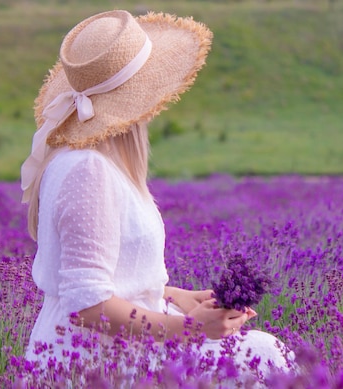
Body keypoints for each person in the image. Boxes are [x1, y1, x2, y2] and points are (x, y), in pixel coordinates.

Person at [20, 9, 290, 381]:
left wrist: (177, 296)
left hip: (115, 347)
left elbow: (113, 277)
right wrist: (193, 329)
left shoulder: (95, 163)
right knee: (265, 357)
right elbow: (87, 305)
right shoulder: (88, 170)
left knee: (264, 353)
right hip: (96, 362)